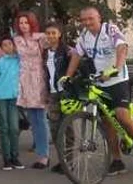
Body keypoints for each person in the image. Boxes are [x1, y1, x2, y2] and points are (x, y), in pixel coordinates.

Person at [62, 7, 133, 175]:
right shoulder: (84, 37)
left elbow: (122, 47)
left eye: (91, 19)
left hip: (117, 80)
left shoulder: (110, 30)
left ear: (99, 18)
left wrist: (116, 67)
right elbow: (76, 55)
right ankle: (117, 161)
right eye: (83, 20)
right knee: (107, 124)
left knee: (121, 115)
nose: (87, 23)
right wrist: (67, 76)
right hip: (100, 83)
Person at [13, 11, 50, 169]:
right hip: (24, 79)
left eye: (26, 22)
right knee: (32, 119)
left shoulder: (40, 38)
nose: (23, 25)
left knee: (40, 117)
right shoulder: (17, 40)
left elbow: (54, 43)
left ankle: (44, 155)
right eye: (21, 23)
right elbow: (7, 53)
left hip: (38, 78)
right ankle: (40, 151)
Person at [42, 22, 74, 174]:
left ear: (59, 34)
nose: (51, 36)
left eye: (53, 33)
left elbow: (74, 67)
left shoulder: (67, 51)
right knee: (55, 128)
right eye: (48, 33)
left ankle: (70, 161)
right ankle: (62, 160)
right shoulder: (45, 53)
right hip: (53, 94)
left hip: (66, 93)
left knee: (67, 126)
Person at [0, 37, 24, 171]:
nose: (8, 47)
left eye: (10, 44)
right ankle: (7, 158)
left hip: (15, 98)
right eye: (4, 45)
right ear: (1, 48)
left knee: (14, 128)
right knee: (4, 128)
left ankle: (15, 156)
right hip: (1, 97)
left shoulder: (19, 61)